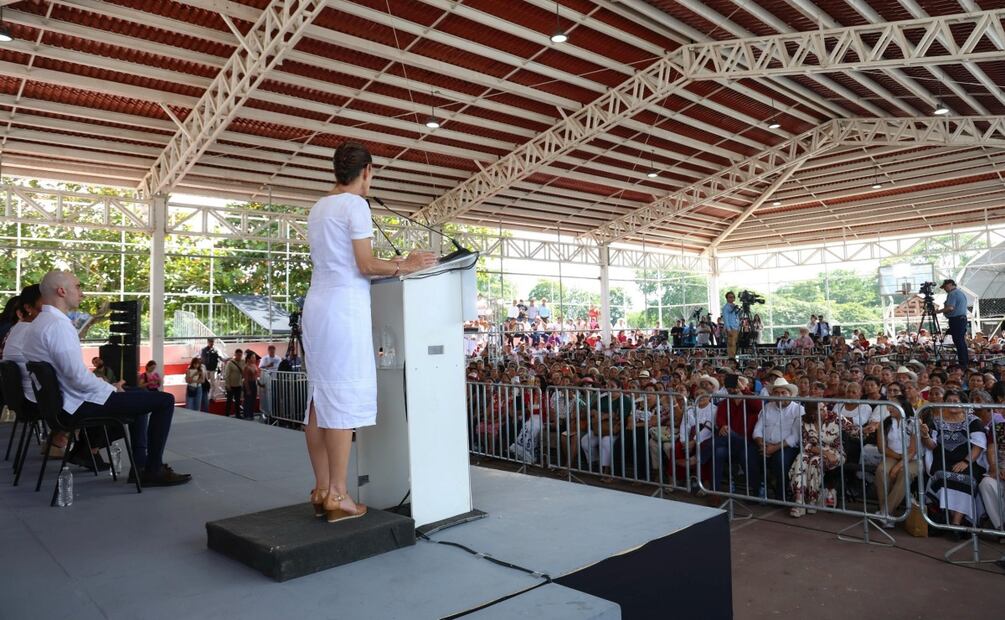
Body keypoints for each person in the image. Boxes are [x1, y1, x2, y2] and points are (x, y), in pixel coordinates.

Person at [302, 142, 436, 523]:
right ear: (367, 171)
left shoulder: (319, 207)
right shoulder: (355, 205)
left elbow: (344, 262)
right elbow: (363, 265)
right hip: (344, 309)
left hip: (318, 306)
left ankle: (321, 487)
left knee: (320, 397)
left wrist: (398, 262)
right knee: (342, 397)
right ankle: (339, 496)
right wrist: (404, 267)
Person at [21, 270, 190, 486]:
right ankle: (152, 469)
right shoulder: (59, 326)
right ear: (62, 291)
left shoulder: (38, 323)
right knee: (164, 401)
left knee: (139, 395)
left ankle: (140, 466)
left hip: (61, 404)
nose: (82, 293)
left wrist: (108, 386)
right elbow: (77, 378)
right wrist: (110, 388)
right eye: (78, 286)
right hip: (77, 405)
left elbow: (72, 376)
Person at [940, 279, 969, 369]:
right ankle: (964, 362)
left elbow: (950, 308)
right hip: (961, 319)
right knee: (961, 341)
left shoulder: (952, 294)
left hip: (956, 319)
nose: (944, 289)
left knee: (958, 341)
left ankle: (963, 363)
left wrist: (937, 311)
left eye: (945, 287)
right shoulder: (960, 293)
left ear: (950, 284)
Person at [199, 338, 221, 412]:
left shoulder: (215, 350)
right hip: (206, 368)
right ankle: (205, 396)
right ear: (208, 342)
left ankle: (211, 396)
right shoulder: (204, 350)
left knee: (213, 383)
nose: (212, 343)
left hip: (212, 369)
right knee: (205, 383)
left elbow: (218, 358)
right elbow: (202, 358)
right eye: (211, 342)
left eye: (213, 342)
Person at [223, 349, 244, 418]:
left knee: (238, 401)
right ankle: (227, 415)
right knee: (229, 401)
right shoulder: (230, 363)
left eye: (240, 355)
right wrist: (227, 385)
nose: (239, 356)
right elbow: (227, 375)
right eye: (238, 355)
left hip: (239, 385)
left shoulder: (242, 362)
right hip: (231, 385)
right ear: (235, 355)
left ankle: (237, 415)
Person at [242, 350, 260, 420]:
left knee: (253, 400)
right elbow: (245, 380)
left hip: (254, 384)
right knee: (248, 400)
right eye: (253, 357)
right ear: (249, 359)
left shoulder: (254, 365)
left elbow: (256, 377)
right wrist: (248, 389)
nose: (254, 359)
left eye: (254, 357)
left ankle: (251, 414)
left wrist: (260, 384)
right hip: (248, 384)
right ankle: (246, 415)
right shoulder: (246, 367)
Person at [721, 292, 740, 357]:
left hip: (736, 327)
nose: (731, 298)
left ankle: (733, 357)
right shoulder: (726, 307)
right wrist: (728, 329)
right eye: (730, 297)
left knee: (734, 344)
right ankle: (731, 358)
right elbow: (725, 319)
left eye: (732, 297)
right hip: (731, 328)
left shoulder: (734, 306)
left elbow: (736, 317)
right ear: (727, 298)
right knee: (731, 344)